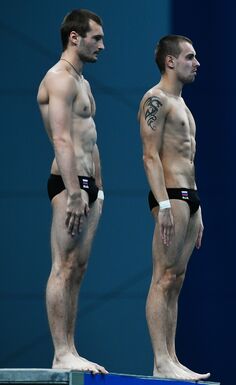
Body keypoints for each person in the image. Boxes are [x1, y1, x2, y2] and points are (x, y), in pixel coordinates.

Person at [37, 9, 107, 374]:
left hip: (87, 186)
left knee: (77, 270)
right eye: (96, 38)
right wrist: (75, 190)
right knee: (62, 266)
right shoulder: (59, 79)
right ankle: (60, 351)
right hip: (69, 185)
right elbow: (62, 138)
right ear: (75, 38)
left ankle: (71, 348)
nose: (102, 45)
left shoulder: (83, 81)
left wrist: (99, 188)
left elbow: (90, 139)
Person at [138, 35, 210, 381]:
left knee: (176, 280)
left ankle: (172, 357)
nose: (196, 63)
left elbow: (190, 161)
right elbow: (149, 155)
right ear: (170, 61)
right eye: (190, 57)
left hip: (188, 198)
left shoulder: (183, 105)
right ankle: (159, 360)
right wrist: (164, 203)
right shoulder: (156, 100)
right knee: (162, 278)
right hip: (170, 196)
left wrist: (199, 210)